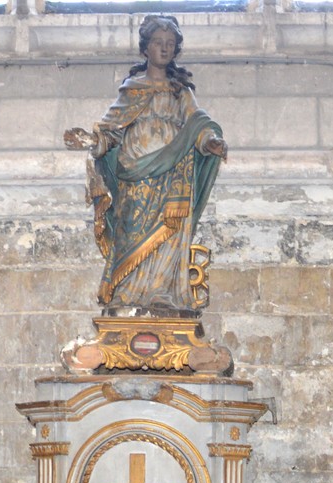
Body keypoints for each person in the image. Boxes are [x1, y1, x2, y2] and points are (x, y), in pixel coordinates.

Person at [68, 14, 227, 313]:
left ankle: (161, 293)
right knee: (131, 229)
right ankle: (126, 294)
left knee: (171, 229)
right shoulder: (132, 89)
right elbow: (111, 132)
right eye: (158, 43)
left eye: (170, 44)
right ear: (146, 48)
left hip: (174, 170)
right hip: (134, 173)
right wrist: (94, 142)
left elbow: (197, 123)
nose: (164, 49)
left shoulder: (181, 90)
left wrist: (210, 141)